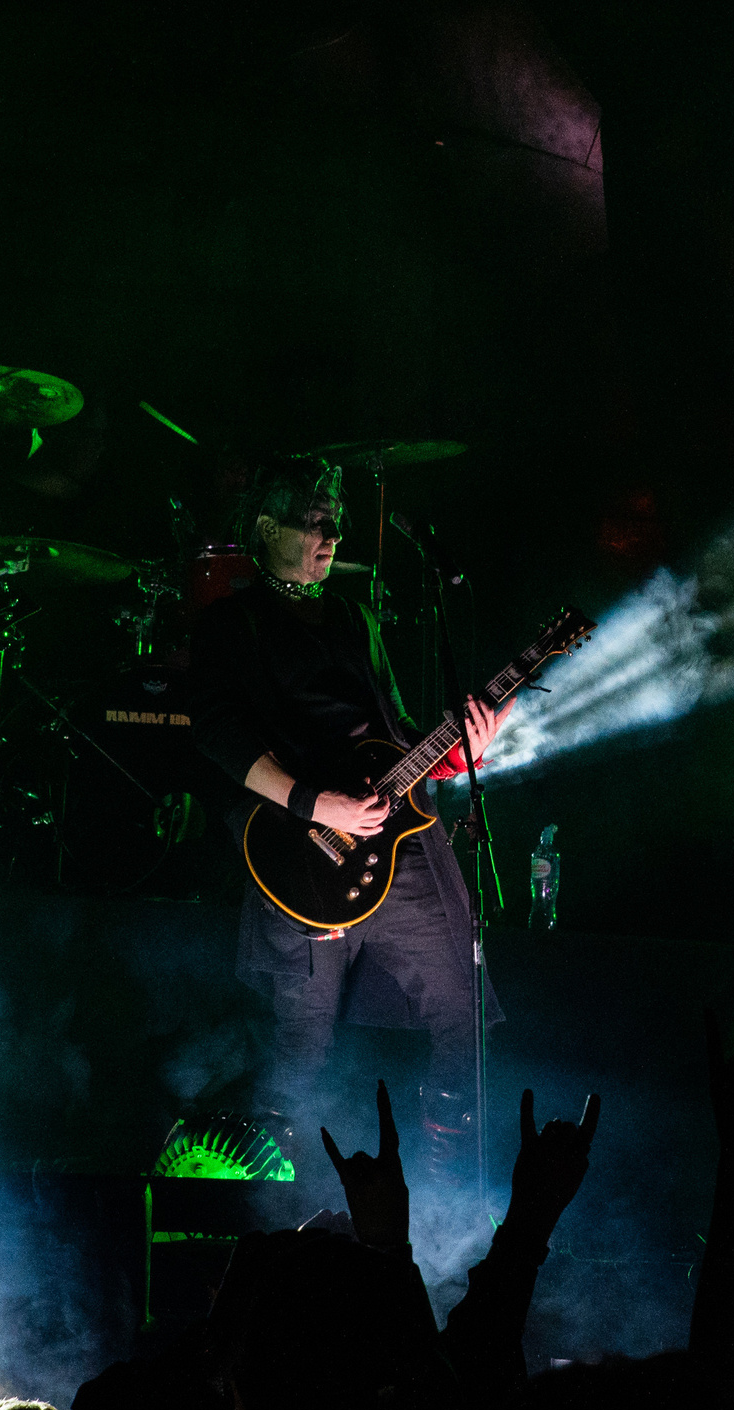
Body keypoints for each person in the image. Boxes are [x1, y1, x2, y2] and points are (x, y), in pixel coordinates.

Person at [189, 454, 508, 1183]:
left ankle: (441, 1195)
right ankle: (281, 1210)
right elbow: (215, 735)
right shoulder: (233, 624)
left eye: (335, 522)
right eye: (312, 521)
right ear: (266, 529)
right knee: (302, 1046)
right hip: (300, 855)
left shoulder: (353, 618)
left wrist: (459, 754)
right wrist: (312, 801)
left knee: (464, 1013)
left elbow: (395, 737)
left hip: (392, 847)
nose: (329, 535)